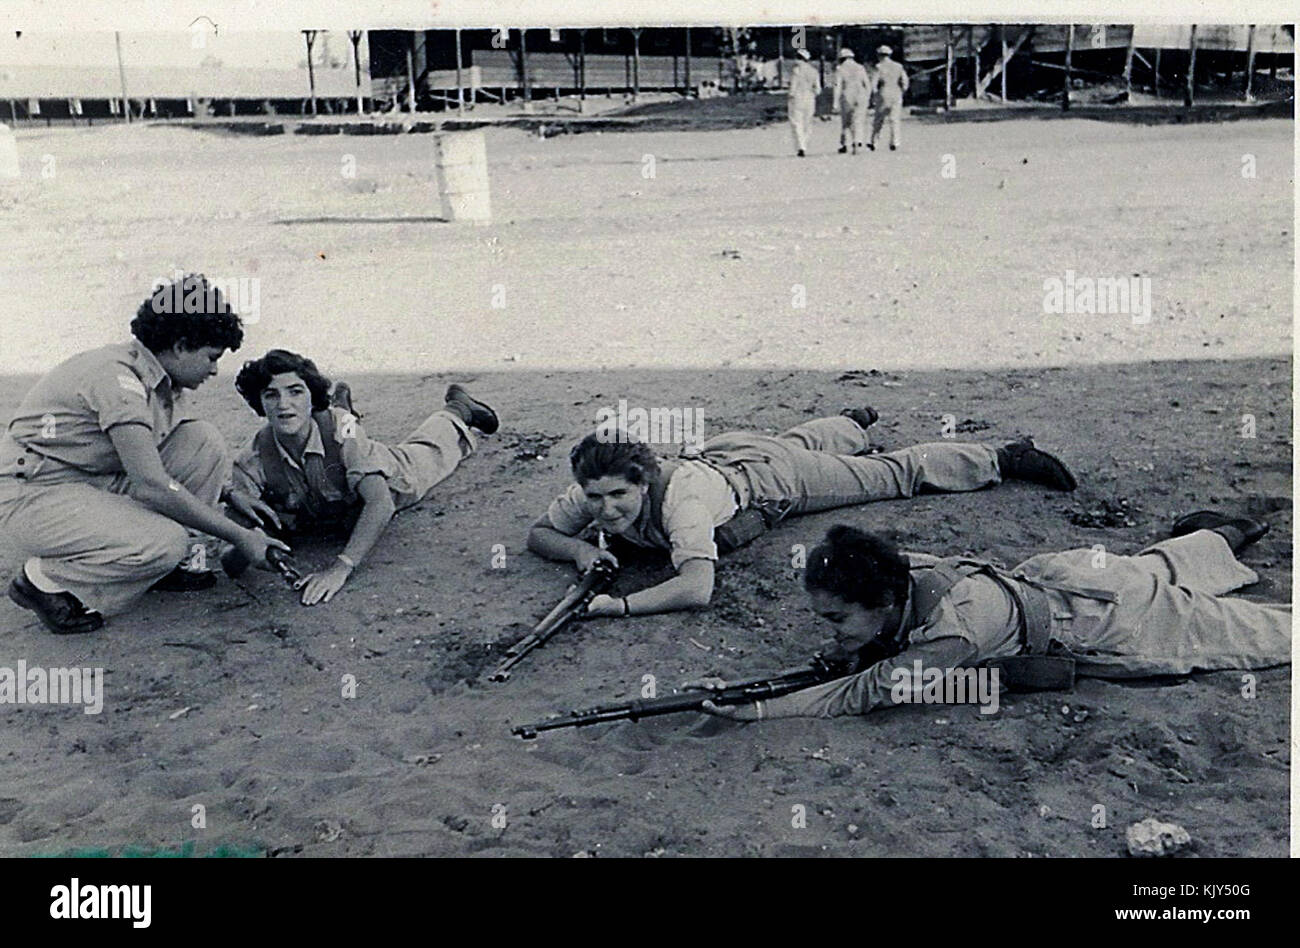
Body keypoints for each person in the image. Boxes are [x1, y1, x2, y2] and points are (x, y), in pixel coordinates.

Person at [700, 514, 1290, 721]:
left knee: (1261, 634)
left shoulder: (951, 636)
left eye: (836, 618)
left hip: (1114, 622)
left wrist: (755, 707)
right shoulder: (905, 573)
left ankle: (1221, 540)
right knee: (1155, 565)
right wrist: (849, 648)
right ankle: (1225, 538)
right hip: (1072, 576)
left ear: (882, 602)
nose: (828, 631)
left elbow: (860, 695)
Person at [527, 408, 1077, 617]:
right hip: (731, 449)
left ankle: (1001, 457)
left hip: (770, 481)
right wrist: (578, 548)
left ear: (643, 480)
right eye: (595, 499)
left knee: (887, 476)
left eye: (618, 497)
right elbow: (541, 533)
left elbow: (696, 587)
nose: (605, 509)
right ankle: (851, 423)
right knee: (797, 441)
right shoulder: (594, 490)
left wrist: (618, 607)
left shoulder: (683, 503)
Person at [0, 274, 288, 634]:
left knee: (203, 442)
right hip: (31, 494)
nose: (214, 370)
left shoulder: (158, 375)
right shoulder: (118, 378)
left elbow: (157, 458)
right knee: (165, 542)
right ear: (182, 346)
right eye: (211, 357)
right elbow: (151, 484)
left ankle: (163, 567)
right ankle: (44, 581)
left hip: (88, 477)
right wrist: (241, 536)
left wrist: (231, 493)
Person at [224, 349, 498, 606]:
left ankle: (457, 409)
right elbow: (230, 560)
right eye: (271, 395)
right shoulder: (252, 460)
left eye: (295, 392)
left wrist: (340, 568)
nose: (284, 405)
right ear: (258, 402)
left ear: (312, 396)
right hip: (329, 506)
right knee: (343, 430)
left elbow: (380, 504)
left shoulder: (342, 434)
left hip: (379, 475)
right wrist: (247, 540)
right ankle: (341, 408)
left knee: (430, 453)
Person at [869, 45, 909, 152]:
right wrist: (902, 91)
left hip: (884, 93)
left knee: (878, 119)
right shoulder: (898, 66)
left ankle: (874, 142)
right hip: (896, 92)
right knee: (894, 119)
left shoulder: (879, 67)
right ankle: (894, 142)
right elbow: (905, 82)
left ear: (879, 55)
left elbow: (873, 83)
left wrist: (873, 95)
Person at [831, 47, 871, 155]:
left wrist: (835, 102)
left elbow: (837, 86)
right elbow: (867, 84)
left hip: (847, 95)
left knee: (846, 122)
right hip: (860, 95)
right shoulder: (860, 67)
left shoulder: (840, 69)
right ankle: (857, 142)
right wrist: (868, 97)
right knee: (858, 120)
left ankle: (845, 144)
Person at [786, 47, 821, 157]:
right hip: (810, 98)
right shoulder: (814, 71)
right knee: (807, 123)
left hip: (797, 98)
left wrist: (790, 95)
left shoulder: (796, 70)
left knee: (797, 123)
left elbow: (793, 86)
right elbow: (818, 89)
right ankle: (804, 144)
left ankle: (800, 146)